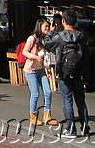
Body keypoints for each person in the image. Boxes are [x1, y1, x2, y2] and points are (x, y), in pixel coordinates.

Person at [43, 9, 90, 139]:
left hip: (63, 72)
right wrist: (87, 77)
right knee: (81, 101)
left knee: (67, 101)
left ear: (63, 21)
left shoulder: (60, 37)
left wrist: (51, 31)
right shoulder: (81, 36)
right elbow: (86, 57)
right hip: (79, 73)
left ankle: (71, 129)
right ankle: (85, 127)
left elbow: (46, 44)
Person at [22, 17, 60, 127]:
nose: (47, 28)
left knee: (48, 92)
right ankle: (33, 116)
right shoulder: (32, 38)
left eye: (48, 26)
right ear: (39, 27)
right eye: (45, 26)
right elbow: (24, 51)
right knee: (35, 94)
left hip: (41, 69)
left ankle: (47, 115)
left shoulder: (45, 39)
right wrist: (34, 57)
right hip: (31, 70)